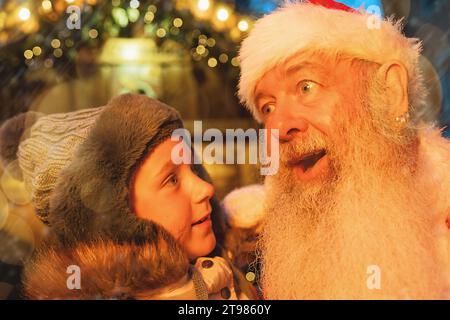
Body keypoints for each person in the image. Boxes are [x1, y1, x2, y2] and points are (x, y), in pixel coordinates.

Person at [237, 1, 450, 299]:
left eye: (306, 87)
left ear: (389, 93)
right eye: (267, 107)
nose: (279, 127)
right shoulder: (266, 241)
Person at [0, 94, 256, 299]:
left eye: (193, 167)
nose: (206, 188)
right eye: (172, 179)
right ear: (112, 218)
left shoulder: (229, 266)